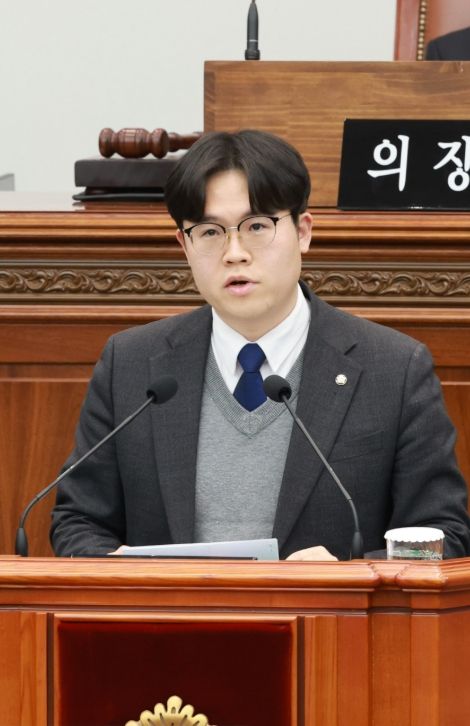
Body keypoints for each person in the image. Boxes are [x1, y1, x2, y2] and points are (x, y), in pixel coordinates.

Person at [50, 130, 470, 560]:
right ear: (184, 245)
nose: (234, 253)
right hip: (170, 607)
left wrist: (350, 575)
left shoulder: (394, 369)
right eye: (209, 232)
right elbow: (78, 520)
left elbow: (444, 535)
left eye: (256, 226)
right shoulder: (132, 364)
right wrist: (121, 573)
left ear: (302, 231)